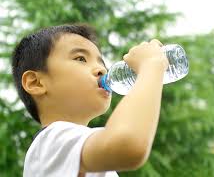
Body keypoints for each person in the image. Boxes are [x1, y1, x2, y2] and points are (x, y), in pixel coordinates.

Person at [11, 24, 169, 177]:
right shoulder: (50, 142)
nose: (102, 70)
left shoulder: (80, 149)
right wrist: (151, 65)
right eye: (80, 58)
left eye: (102, 63)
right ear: (35, 83)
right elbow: (128, 143)